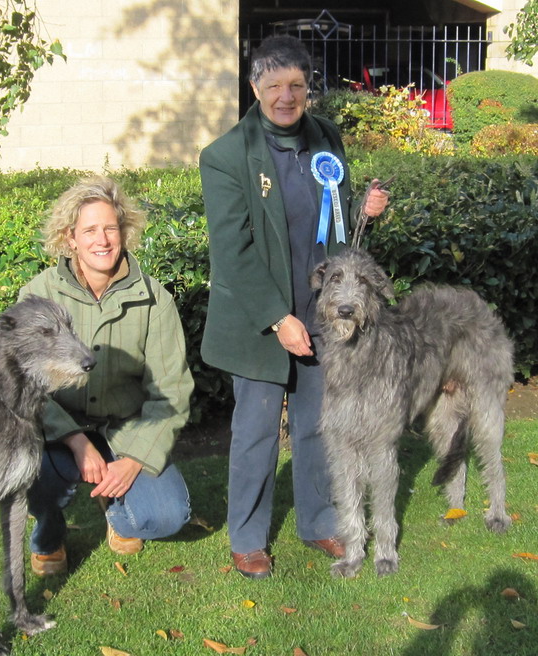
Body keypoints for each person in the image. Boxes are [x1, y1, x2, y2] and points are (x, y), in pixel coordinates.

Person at [198, 35, 390, 579]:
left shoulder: (326, 137)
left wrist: (367, 212)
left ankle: (320, 521)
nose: (287, 96)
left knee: (316, 426)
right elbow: (231, 253)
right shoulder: (226, 156)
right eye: (275, 84)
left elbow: (335, 221)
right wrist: (279, 318)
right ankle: (248, 537)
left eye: (297, 85)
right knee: (256, 432)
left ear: (309, 89)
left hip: (323, 316)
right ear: (255, 86)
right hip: (261, 320)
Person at [19, 175, 194, 577]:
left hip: (127, 427)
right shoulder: (38, 294)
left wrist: (135, 459)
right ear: (70, 238)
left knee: (166, 516)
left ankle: (116, 509)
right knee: (34, 474)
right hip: (57, 431)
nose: (102, 240)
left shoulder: (155, 299)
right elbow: (24, 382)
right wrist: (75, 439)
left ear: (124, 232)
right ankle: (48, 535)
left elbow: (173, 389)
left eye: (110, 228)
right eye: (90, 230)